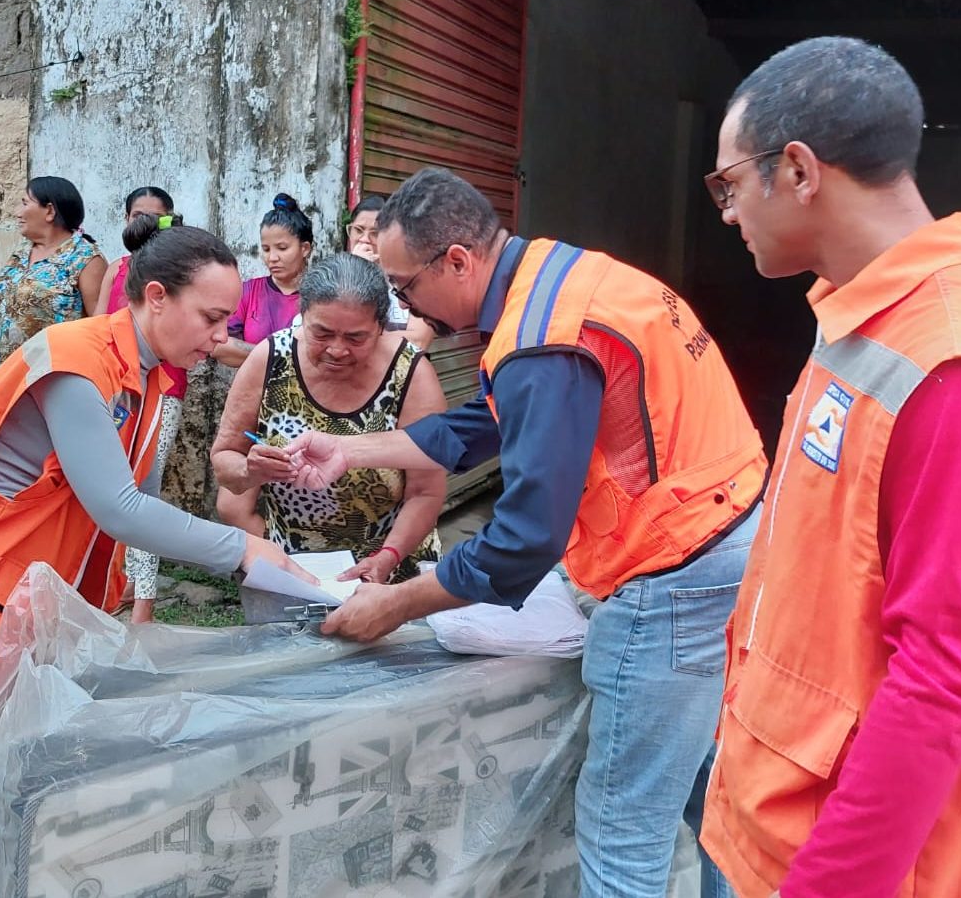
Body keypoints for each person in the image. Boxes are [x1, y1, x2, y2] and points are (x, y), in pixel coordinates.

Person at [285, 167, 769, 897]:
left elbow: (523, 539)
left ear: (457, 259)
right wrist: (350, 447)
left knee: (620, 834)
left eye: (405, 287)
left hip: (671, 572)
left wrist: (396, 601)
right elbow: (482, 425)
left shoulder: (542, 337)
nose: (404, 309)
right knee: (713, 796)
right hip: (728, 535)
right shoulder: (561, 277)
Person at [0, 223, 313, 898]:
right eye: (212, 317)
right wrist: (248, 550)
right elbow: (120, 508)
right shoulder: (76, 360)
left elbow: (135, 518)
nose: (222, 337)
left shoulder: (154, 382)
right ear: (155, 296)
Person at [696, 38, 961, 898]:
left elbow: (943, 681)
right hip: (777, 819)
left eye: (729, 184)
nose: (726, 212)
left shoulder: (958, 373)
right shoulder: (868, 324)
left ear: (798, 170)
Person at [212, 253, 447, 581]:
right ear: (302, 316)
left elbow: (427, 491)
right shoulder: (270, 360)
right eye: (321, 334)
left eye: (356, 338)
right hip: (294, 573)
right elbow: (225, 459)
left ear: (381, 326)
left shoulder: (410, 374)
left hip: (392, 572)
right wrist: (250, 471)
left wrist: (387, 558)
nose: (337, 350)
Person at [96, 187, 187, 624]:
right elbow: (97, 329)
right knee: (111, 489)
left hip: (163, 393)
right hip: (115, 391)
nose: (144, 225)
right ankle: (119, 583)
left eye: (154, 217)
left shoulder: (180, 276)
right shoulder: (116, 270)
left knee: (143, 492)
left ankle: (145, 603)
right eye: (136, 216)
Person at [0, 175, 106, 389]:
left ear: (50, 211)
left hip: (50, 384)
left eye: (25, 203)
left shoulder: (85, 260)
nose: (18, 212)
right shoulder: (21, 254)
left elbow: (99, 330)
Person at [212, 192, 313, 367]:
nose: (272, 257)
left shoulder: (320, 296)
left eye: (282, 248)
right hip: (253, 390)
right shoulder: (248, 291)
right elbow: (219, 345)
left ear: (304, 248)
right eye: (266, 249)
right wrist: (278, 354)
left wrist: (253, 353)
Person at [344, 194, 434, 351]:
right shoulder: (339, 275)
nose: (364, 239)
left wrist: (360, 339)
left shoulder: (415, 278)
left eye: (375, 232)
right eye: (358, 230)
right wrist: (357, 272)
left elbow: (419, 340)